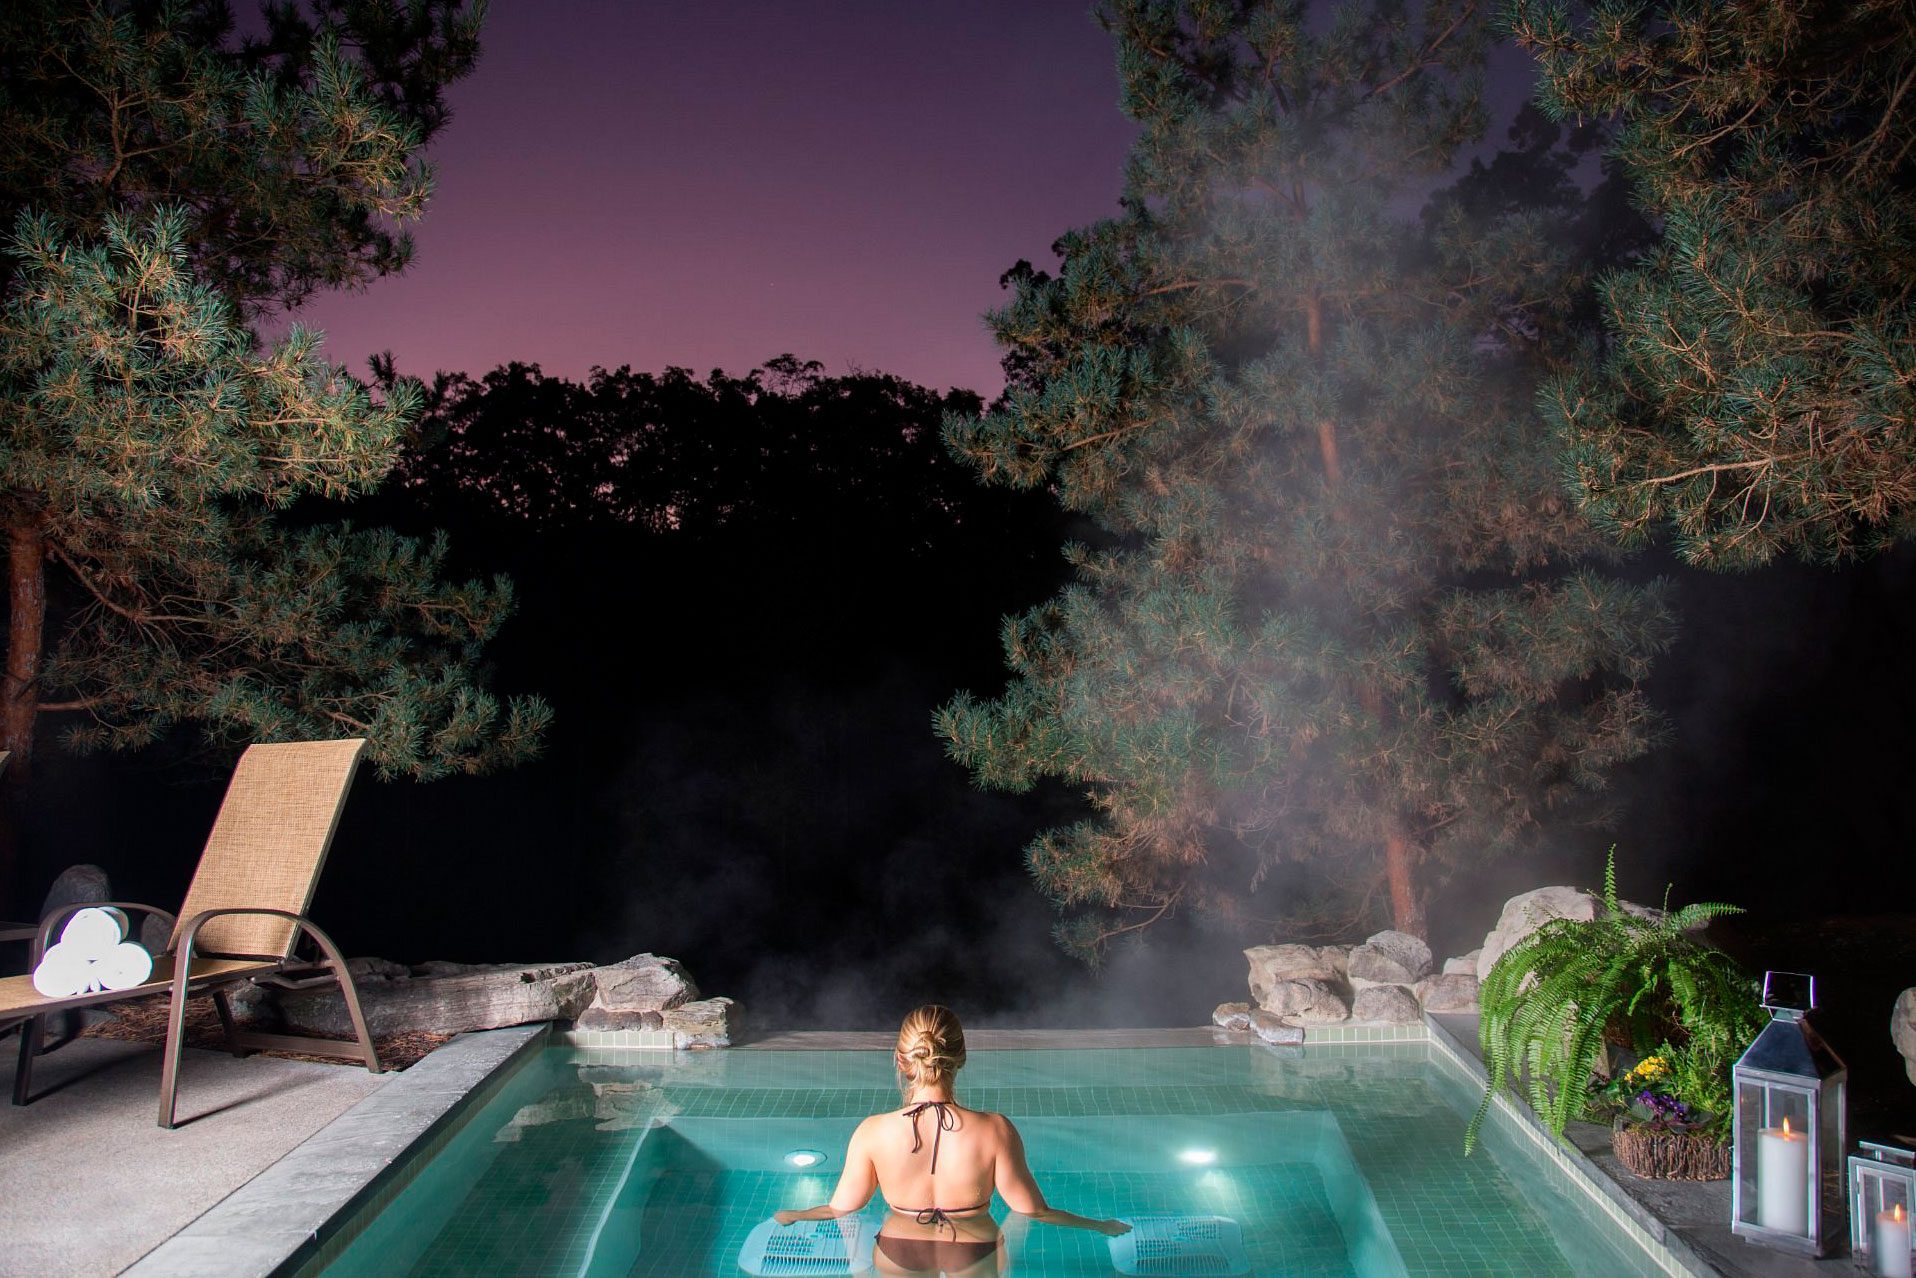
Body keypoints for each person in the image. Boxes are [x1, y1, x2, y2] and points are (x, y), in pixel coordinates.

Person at [774, 1005, 1129, 1275]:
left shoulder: (872, 1131)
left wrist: (793, 1214)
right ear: (961, 1059)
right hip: (974, 1250)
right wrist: (1098, 1225)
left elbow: (842, 1208)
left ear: (901, 1061)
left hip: (899, 1250)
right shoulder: (995, 1130)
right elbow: (1033, 1210)